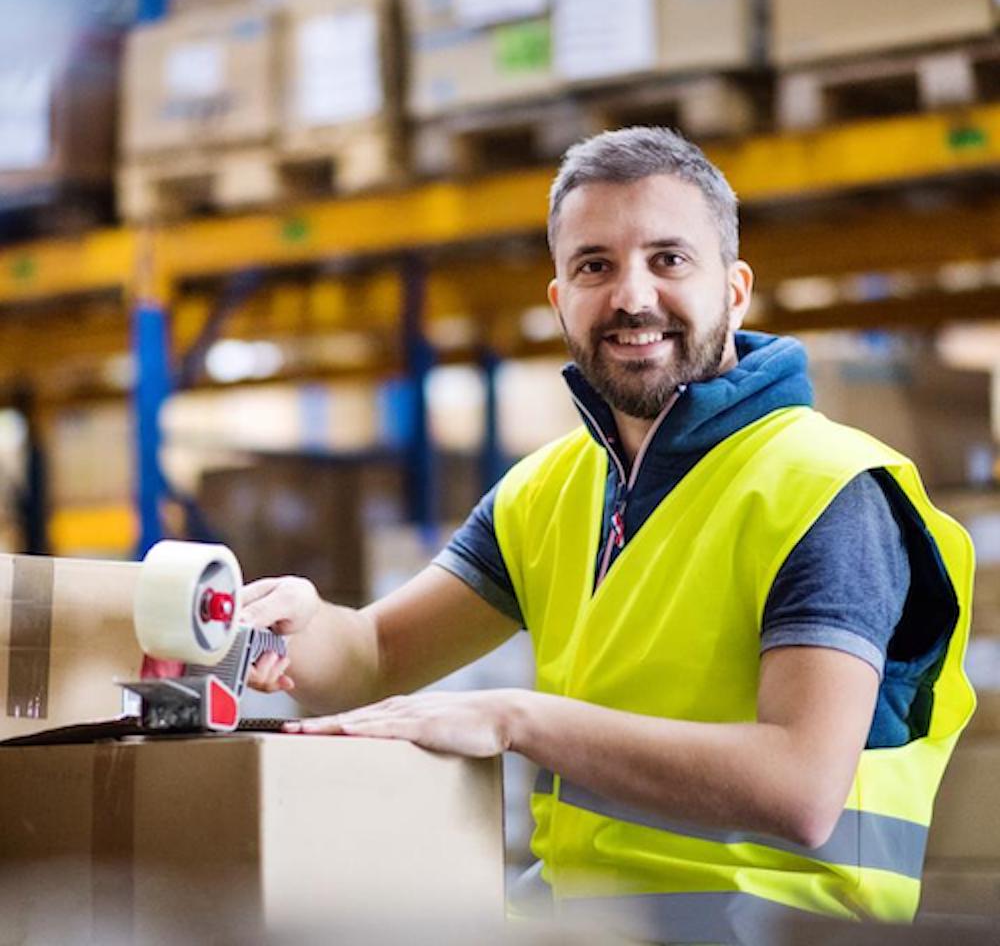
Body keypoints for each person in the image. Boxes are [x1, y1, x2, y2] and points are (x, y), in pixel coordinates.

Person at [243, 127, 975, 945]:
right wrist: (301, 630)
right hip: (591, 926)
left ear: (734, 291)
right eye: (595, 265)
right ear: (559, 299)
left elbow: (800, 788)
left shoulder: (825, 489)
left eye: (669, 259)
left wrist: (518, 718)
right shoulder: (548, 491)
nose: (632, 296)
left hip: (770, 931)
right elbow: (375, 656)